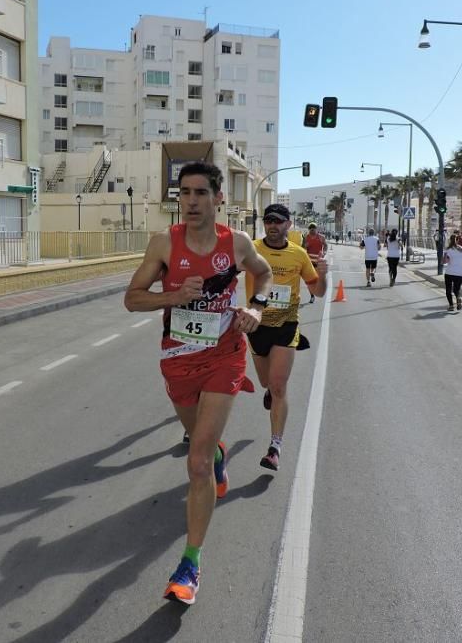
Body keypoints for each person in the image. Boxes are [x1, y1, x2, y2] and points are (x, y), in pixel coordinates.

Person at [124, 161, 273, 605]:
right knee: (198, 441)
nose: (190, 201)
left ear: (217, 198)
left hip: (225, 356)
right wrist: (173, 295)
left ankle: (190, 563)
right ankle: (219, 451)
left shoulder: (238, 243)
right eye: (184, 193)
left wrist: (258, 310)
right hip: (178, 359)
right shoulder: (163, 244)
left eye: (200, 193)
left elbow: (262, 275)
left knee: (197, 463)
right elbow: (132, 299)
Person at [245, 204, 328, 472]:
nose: (273, 225)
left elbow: (318, 289)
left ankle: (275, 447)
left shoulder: (299, 254)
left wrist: (323, 276)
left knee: (280, 387)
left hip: (286, 325)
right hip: (256, 325)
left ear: (288, 225)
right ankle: (269, 389)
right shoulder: (252, 249)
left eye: (278, 221)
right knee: (266, 382)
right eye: (268, 220)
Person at [443, 233, 462, 311]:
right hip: (459, 273)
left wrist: (445, 256)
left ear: (449, 240)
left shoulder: (447, 250)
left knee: (448, 290)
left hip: (449, 272)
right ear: (457, 240)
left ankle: (451, 306)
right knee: (456, 289)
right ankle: (458, 298)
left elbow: (444, 262)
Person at [302, 223, 326, 302]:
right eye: (310, 228)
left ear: (316, 229)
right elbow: (302, 248)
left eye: (314, 228)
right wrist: (305, 246)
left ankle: (316, 292)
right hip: (309, 262)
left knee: (317, 280)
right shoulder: (306, 237)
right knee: (309, 281)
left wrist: (324, 252)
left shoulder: (321, 237)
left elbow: (325, 245)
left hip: (318, 262)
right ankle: (312, 296)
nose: (312, 230)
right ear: (309, 229)